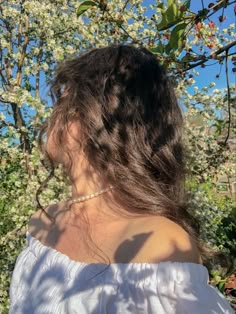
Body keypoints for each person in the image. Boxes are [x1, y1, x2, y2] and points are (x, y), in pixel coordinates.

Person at [9, 45, 234, 313]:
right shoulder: (42, 223)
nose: (52, 113)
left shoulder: (158, 245)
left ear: (98, 115)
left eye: (65, 100)